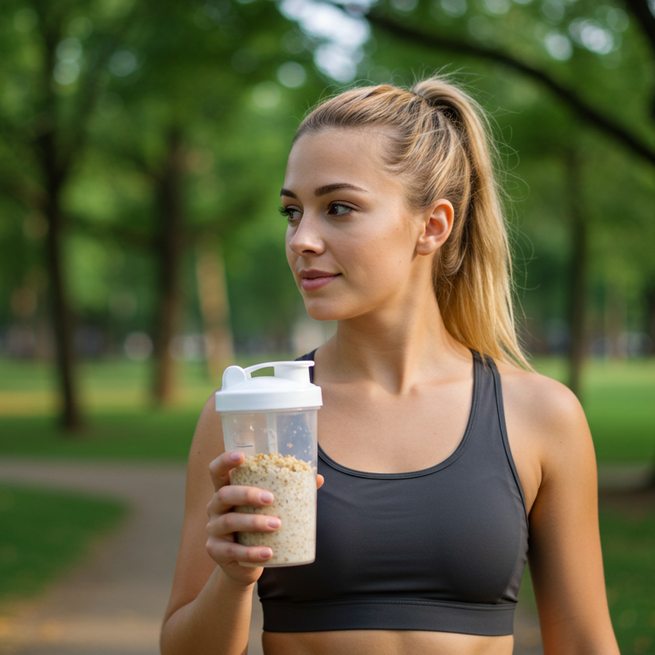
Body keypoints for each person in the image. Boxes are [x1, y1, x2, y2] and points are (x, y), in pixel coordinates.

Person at [160, 78, 620, 655]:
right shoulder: (253, 418)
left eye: (339, 208)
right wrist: (234, 577)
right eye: (292, 211)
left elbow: (584, 643)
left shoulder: (542, 416)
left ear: (432, 225)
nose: (302, 238)